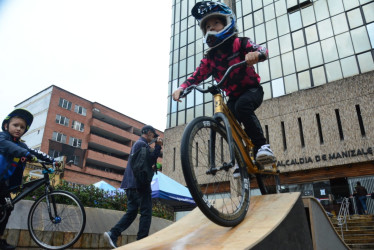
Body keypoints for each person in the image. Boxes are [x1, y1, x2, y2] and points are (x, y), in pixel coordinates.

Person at [172, 1, 276, 171]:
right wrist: (182, 88)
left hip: (252, 90)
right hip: (233, 97)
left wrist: (256, 54)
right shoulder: (209, 59)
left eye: (216, 23)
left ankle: (262, 146)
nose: (211, 28)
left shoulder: (240, 43)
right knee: (228, 120)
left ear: (227, 22)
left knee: (243, 107)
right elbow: (196, 76)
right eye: (207, 27)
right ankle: (240, 159)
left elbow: (261, 49)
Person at [0, 109, 55, 250]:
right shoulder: (2, 138)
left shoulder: (22, 145)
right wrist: (25, 153)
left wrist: (50, 159)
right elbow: (10, 147)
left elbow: (34, 152)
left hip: (5, 183)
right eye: (15, 125)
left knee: (7, 209)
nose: (19, 129)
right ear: (6, 126)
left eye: (22, 127)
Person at [104, 125, 162, 248]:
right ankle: (142, 242)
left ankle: (113, 233)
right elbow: (149, 161)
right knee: (146, 212)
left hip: (130, 184)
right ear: (148, 133)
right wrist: (158, 147)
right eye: (153, 135)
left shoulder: (137, 145)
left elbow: (140, 163)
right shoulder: (142, 144)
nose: (154, 138)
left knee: (131, 212)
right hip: (140, 185)